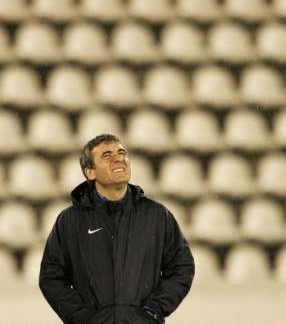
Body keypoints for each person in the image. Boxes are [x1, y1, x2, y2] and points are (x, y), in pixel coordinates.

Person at [39, 134, 195, 324]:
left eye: (122, 153)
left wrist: (153, 310)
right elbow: (51, 277)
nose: (119, 158)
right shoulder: (70, 220)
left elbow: (182, 267)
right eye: (107, 155)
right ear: (90, 172)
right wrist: (82, 317)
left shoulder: (157, 215)